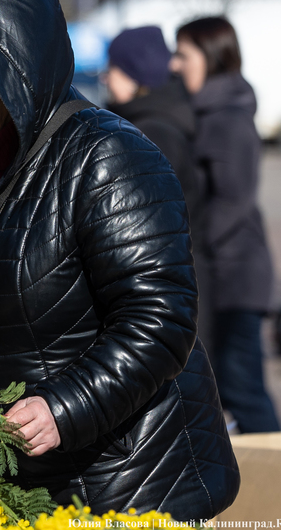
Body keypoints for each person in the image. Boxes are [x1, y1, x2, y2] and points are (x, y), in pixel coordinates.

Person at [0, 0, 238, 518]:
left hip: (126, 482)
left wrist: (62, 407)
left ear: (17, 74)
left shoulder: (108, 158)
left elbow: (160, 319)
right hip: (1, 486)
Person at [170, 16, 281, 434]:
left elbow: (233, 201)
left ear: (212, 57)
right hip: (220, 270)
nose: (174, 64)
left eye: (184, 55)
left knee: (243, 390)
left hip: (236, 276)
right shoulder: (203, 112)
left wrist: (189, 251)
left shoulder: (228, 118)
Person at [103, 26, 213, 349]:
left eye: (113, 68)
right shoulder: (156, 121)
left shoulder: (152, 133)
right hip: (178, 287)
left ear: (135, 75)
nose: (106, 78)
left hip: (171, 296)